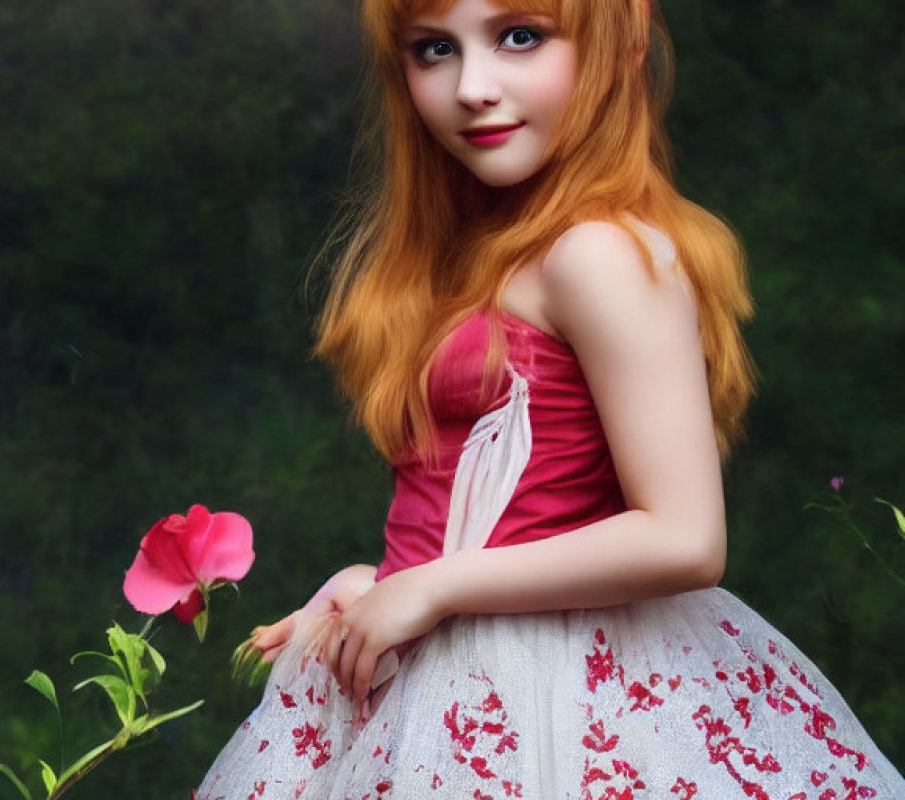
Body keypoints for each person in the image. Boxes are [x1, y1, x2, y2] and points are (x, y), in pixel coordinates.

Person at [198, 0, 905, 797]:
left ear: (620, 45)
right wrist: (385, 584)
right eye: (433, 49)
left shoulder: (595, 255)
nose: (472, 86)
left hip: (562, 692)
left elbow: (686, 538)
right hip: (458, 685)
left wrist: (433, 586)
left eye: (520, 36)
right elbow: (490, 511)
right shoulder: (483, 260)